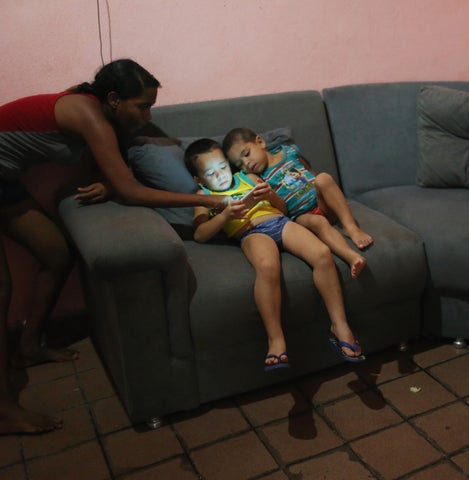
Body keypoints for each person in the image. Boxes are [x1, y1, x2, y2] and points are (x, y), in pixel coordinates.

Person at [0, 59, 230, 435]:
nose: (148, 114)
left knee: (56, 255)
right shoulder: (88, 115)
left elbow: (104, 175)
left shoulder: (98, 116)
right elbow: (131, 192)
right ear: (112, 99)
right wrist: (203, 202)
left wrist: (108, 185)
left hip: (5, 180)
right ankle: (3, 408)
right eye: (142, 105)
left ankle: (27, 345)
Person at [183, 138, 365, 370]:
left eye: (222, 167)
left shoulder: (246, 178)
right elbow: (200, 234)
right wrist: (225, 216)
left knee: (321, 253)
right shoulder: (204, 195)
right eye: (211, 173)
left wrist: (270, 196)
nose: (220, 176)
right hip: (250, 232)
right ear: (199, 179)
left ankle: (340, 326)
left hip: (280, 221)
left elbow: (283, 209)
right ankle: (276, 339)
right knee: (268, 268)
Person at [223, 127, 372, 279]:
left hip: (321, 204)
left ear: (260, 142)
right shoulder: (255, 179)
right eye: (240, 164)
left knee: (323, 178)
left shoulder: (289, 152)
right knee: (318, 221)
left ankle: (351, 227)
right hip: (300, 216)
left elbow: (310, 172)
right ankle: (351, 257)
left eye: (246, 154)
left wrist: (322, 189)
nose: (246, 163)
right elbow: (276, 209)